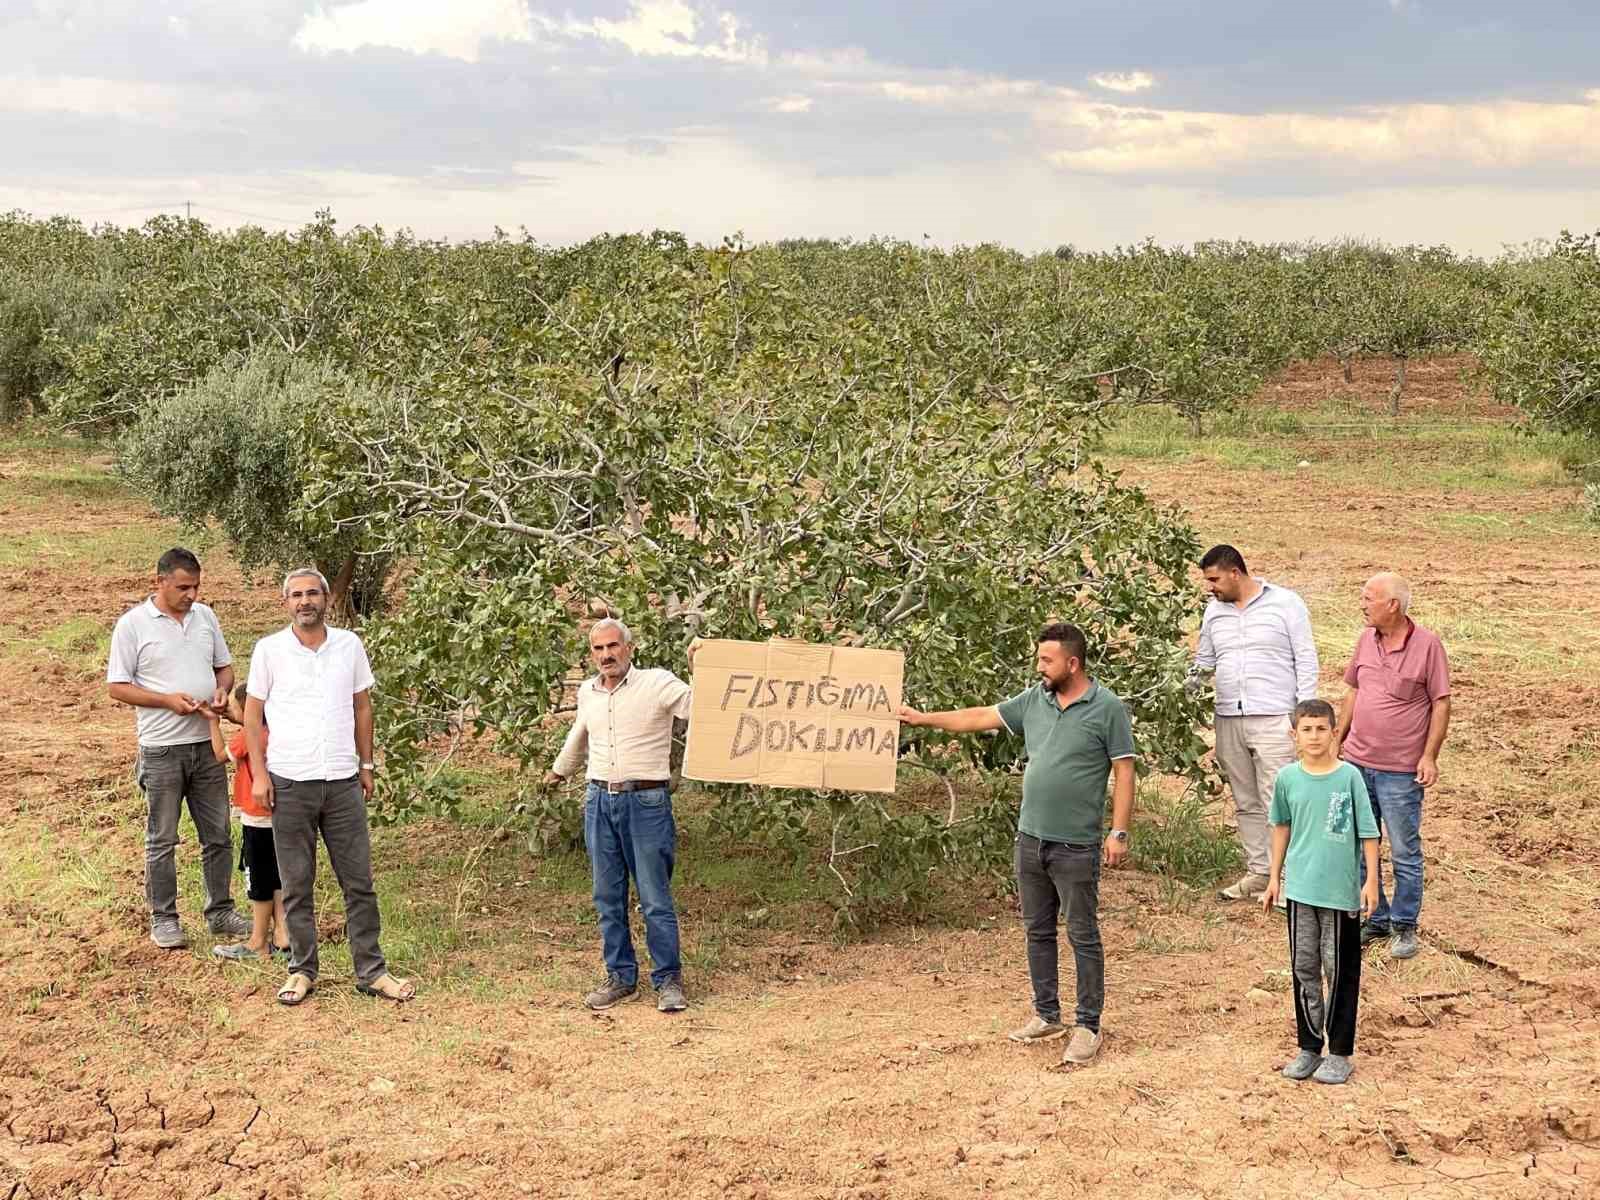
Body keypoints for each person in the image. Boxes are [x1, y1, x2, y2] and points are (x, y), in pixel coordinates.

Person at [899, 622, 1135, 1066]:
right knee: (1037, 930)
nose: (1039, 667)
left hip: (1076, 845)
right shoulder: (1035, 700)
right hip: (1030, 838)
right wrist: (921, 718)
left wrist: (1118, 831)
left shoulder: (1107, 708)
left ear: (1073, 663)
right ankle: (1047, 1014)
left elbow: (1124, 770)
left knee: (1082, 934)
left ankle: (1088, 1024)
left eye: (1046, 660)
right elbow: (977, 717)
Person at [245, 567, 413, 1005]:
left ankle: (372, 971)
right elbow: (251, 714)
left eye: (312, 593)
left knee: (358, 882)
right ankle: (302, 969)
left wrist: (367, 764)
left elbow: (362, 707)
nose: (305, 601)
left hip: (341, 781)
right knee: (297, 883)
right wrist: (260, 775)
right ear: (286, 603)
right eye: (296, 595)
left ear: (326, 598)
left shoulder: (349, 646)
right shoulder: (269, 651)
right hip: (289, 782)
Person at [544, 617, 693, 1013]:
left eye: (613, 646)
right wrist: (557, 773)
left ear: (629, 647)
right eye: (598, 649)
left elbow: (697, 706)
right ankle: (620, 977)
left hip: (645, 802)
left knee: (654, 896)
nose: (607, 655)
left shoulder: (657, 683)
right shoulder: (588, 692)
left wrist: (702, 667)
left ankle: (668, 980)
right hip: (599, 801)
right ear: (591, 654)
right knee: (607, 896)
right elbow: (579, 736)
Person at [107, 547, 250, 948]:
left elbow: (224, 666)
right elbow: (117, 686)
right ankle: (164, 916)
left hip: (207, 745)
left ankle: (220, 910)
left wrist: (221, 691)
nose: (191, 595)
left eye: (196, 587)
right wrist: (166, 700)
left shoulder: (205, 618)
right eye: (183, 587)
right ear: (160, 582)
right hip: (162, 749)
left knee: (218, 834)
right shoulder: (133, 625)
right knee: (162, 838)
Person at [1189, 544, 1318, 902]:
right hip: (1229, 716)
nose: (1210, 587)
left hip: (1275, 716)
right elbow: (1204, 661)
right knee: (1245, 800)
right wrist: (1178, 688)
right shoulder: (1214, 613)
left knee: (1279, 798)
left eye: (1214, 579)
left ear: (1235, 572)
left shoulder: (1286, 603)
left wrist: (1303, 714)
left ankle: (1292, 882)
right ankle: (1260, 871)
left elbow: (1305, 658)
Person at [1262, 699, 1379, 1086]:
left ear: (1334, 732)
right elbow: (1281, 827)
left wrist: (1372, 881)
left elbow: (1368, 832)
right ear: (1295, 735)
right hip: (1300, 893)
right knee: (1304, 968)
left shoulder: (1349, 778)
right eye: (1306, 729)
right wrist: (1274, 878)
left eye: (1321, 729)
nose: (1314, 736)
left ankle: (1340, 1052)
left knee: (1341, 971)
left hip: (1340, 895)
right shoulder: (1287, 780)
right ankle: (1309, 1046)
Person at [1334, 572, 1451, 961]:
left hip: (1401, 771)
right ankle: (1377, 916)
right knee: (1359, 845)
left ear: (1393, 605)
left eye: (1369, 598)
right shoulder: (1366, 640)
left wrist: (1429, 755)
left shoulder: (1428, 645)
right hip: (1357, 763)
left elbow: (1441, 703)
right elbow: (1354, 691)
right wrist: (1338, 740)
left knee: (1403, 850)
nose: (1362, 604)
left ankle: (1404, 925)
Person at [204, 684, 289, 962]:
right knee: (279, 875)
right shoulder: (277, 731)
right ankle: (283, 935)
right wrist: (233, 713)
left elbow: (219, 755)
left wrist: (212, 722)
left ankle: (257, 942)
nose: (230, 711)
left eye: (234, 707)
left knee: (259, 879)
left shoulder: (247, 737)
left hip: (256, 815)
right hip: (280, 815)